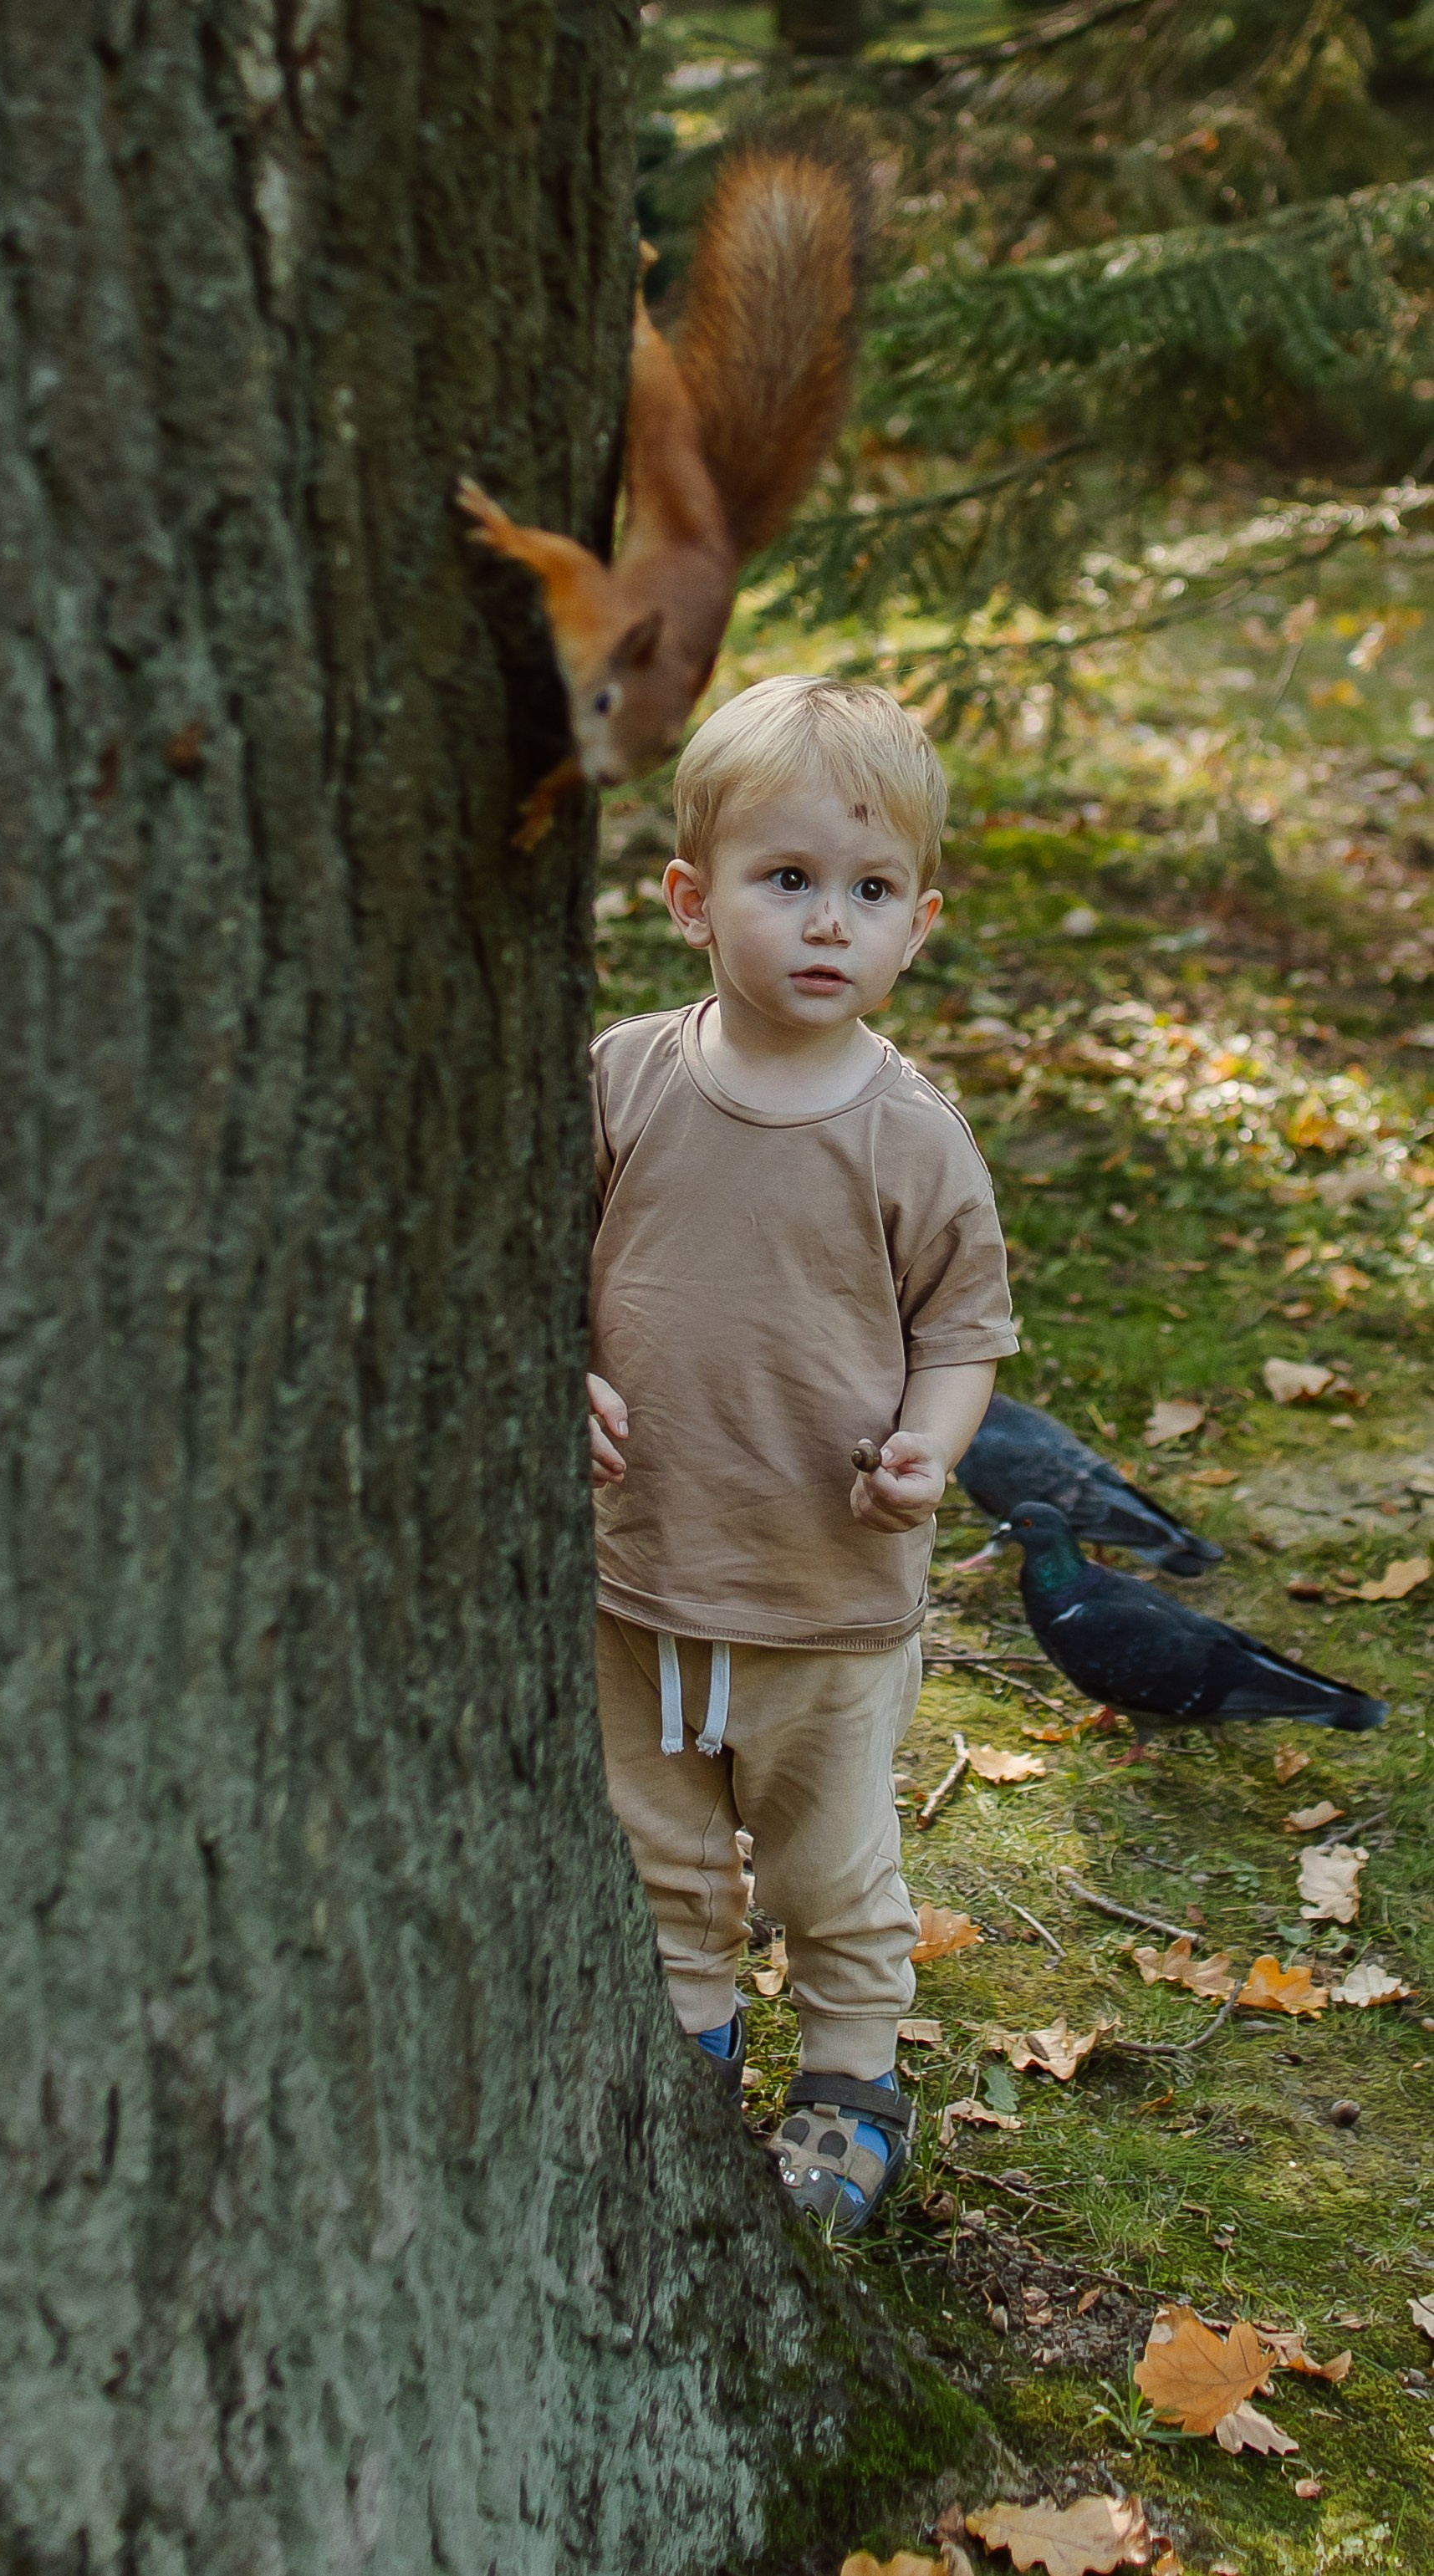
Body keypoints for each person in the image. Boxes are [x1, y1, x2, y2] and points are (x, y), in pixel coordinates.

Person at [587, 673, 1017, 2233]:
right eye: (787, 882)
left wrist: (928, 1443)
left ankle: (848, 2080)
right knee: (661, 1847)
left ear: (918, 921)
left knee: (829, 1863)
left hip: (828, 1591)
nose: (829, 922)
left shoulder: (911, 1134)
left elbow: (964, 1330)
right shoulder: (624, 1079)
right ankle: (687, 2047)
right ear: (693, 902)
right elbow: (535, 1257)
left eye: (870, 889)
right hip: (638, 1571)